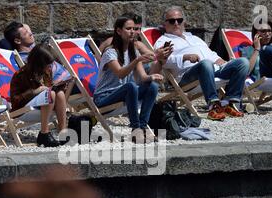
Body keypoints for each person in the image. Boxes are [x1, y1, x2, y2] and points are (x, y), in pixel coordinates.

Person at [154, 6, 249, 121]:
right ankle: (213, 106)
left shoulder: (194, 38)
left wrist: (219, 60)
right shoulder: (163, 41)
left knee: (242, 62)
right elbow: (163, 62)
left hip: (212, 70)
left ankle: (231, 103)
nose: (176, 23)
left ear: (184, 22)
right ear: (164, 24)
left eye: (179, 20)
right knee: (205, 64)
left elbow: (210, 53)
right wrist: (185, 57)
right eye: (171, 21)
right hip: (187, 77)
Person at [93, 15, 164, 143]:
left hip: (123, 94)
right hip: (103, 97)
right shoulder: (111, 52)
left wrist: (152, 76)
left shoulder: (133, 51)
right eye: (128, 28)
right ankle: (135, 129)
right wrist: (136, 60)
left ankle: (142, 128)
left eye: (134, 29)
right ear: (119, 31)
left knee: (152, 86)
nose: (133, 32)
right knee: (130, 86)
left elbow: (143, 77)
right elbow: (120, 73)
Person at [10, 45, 67, 148]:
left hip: (45, 105)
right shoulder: (21, 75)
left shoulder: (46, 71)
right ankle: (44, 134)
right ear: (38, 64)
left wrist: (59, 84)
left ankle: (63, 131)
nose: (50, 68)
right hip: (23, 110)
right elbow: (15, 100)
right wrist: (34, 91)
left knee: (60, 94)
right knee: (51, 94)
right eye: (47, 65)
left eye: (51, 64)